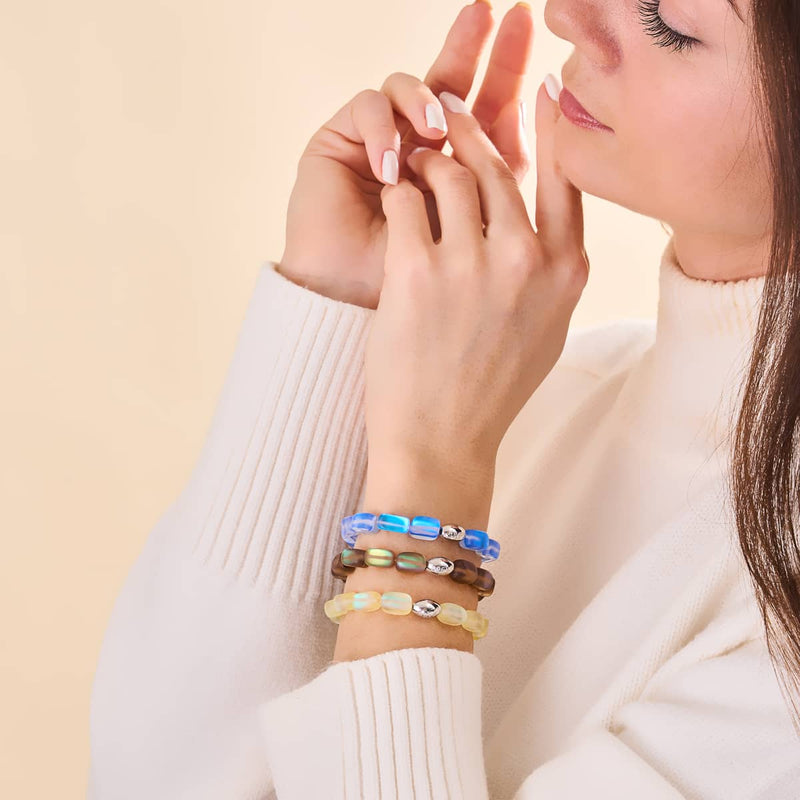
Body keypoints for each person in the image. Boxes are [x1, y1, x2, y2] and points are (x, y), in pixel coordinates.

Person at [87, 0, 800, 797]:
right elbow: (142, 774)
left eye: (669, 20)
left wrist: (429, 487)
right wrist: (339, 306)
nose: (569, 15)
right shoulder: (546, 388)